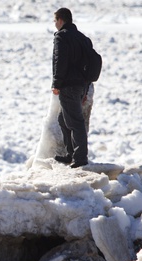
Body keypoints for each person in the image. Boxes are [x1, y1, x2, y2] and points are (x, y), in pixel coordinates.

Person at [52, 7, 91, 168]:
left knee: (75, 122)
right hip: (80, 85)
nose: (55, 24)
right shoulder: (82, 38)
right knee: (63, 119)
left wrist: (57, 83)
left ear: (61, 20)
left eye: (55, 20)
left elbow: (59, 61)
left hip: (68, 85)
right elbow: (90, 63)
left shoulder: (62, 37)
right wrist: (86, 87)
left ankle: (80, 158)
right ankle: (71, 154)